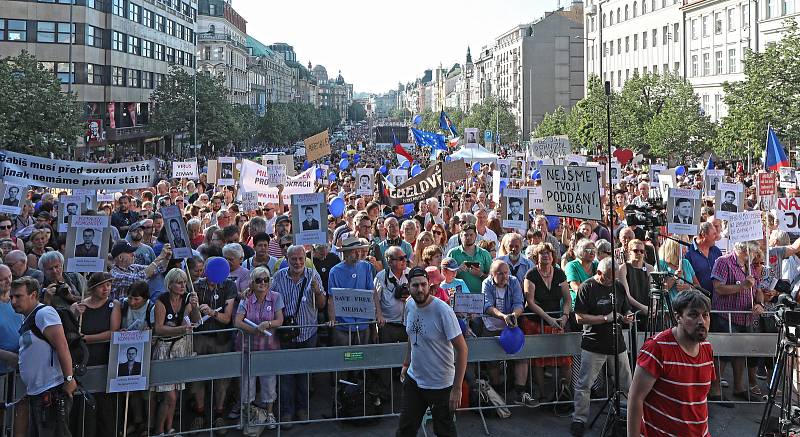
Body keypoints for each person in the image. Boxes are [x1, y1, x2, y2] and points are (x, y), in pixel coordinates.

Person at [627, 291, 714, 437]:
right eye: (693, 315)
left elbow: (697, 401)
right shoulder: (657, 348)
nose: (701, 321)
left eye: (705, 315)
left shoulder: (707, 348)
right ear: (677, 317)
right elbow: (635, 398)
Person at [396, 266, 467, 437]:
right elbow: (411, 337)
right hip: (414, 380)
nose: (419, 289)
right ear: (409, 287)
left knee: (444, 431)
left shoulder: (443, 311)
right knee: (405, 429)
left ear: (429, 285)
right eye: (415, 285)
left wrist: (457, 388)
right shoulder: (409, 305)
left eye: (423, 285)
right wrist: (406, 363)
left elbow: (462, 349)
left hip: (440, 385)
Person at [571, 257, 634, 437]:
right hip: (594, 343)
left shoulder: (618, 286)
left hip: (617, 343)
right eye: (607, 277)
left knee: (626, 383)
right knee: (584, 384)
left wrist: (627, 315)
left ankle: (625, 415)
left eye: (613, 278)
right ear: (599, 273)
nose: (610, 282)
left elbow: (625, 308)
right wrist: (605, 318)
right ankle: (579, 419)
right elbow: (579, 317)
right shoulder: (587, 287)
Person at [12, 276, 77, 437]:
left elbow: (62, 346)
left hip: (51, 390)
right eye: (11, 296)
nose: (13, 301)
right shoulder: (28, 318)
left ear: (33, 295)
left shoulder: (44, 313)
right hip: (37, 392)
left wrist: (69, 379)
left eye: (18, 296)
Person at [271, 245, 325, 427]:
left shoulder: (313, 275)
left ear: (305, 258)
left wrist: (317, 291)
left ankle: (302, 410)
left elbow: (322, 304)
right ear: (287, 259)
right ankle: (286, 413)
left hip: (308, 332)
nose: (298, 262)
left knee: (304, 374)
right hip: (285, 334)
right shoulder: (278, 277)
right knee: (285, 375)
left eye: (301, 259)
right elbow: (268, 299)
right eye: (293, 259)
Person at [235, 267, 283, 434]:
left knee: (269, 382)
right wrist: (254, 329)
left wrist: (267, 324)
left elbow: (280, 320)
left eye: (266, 279)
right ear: (252, 283)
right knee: (247, 383)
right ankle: (246, 415)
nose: (263, 283)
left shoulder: (276, 297)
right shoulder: (246, 298)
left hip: (268, 347)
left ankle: (269, 413)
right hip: (248, 347)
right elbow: (238, 322)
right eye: (258, 280)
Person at [152, 268, 200, 436]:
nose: (183, 285)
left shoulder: (186, 298)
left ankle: (169, 429)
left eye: (184, 282)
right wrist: (181, 329)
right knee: (169, 397)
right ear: (170, 284)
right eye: (179, 282)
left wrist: (194, 306)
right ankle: (158, 431)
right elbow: (158, 328)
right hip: (164, 349)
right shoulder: (161, 301)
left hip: (180, 348)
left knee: (175, 396)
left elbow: (196, 321)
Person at [522, 243, 573, 401]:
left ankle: (565, 394)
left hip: (557, 319)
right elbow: (530, 302)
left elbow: (567, 298)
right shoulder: (531, 275)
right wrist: (548, 319)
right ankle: (543, 395)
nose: (545, 255)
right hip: (534, 321)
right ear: (536, 257)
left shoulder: (559, 273)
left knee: (565, 358)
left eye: (548, 253)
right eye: (542, 253)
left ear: (553, 256)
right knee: (539, 360)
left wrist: (565, 315)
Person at [447, 223, 492, 294]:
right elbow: (445, 276)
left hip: (479, 296)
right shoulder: (453, 253)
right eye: (465, 235)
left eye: (471, 235)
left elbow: (492, 278)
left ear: (476, 236)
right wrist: (458, 270)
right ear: (460, 236)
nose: (468, 237)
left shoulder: (484, 254)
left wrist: (480, 274)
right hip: (458, 296)